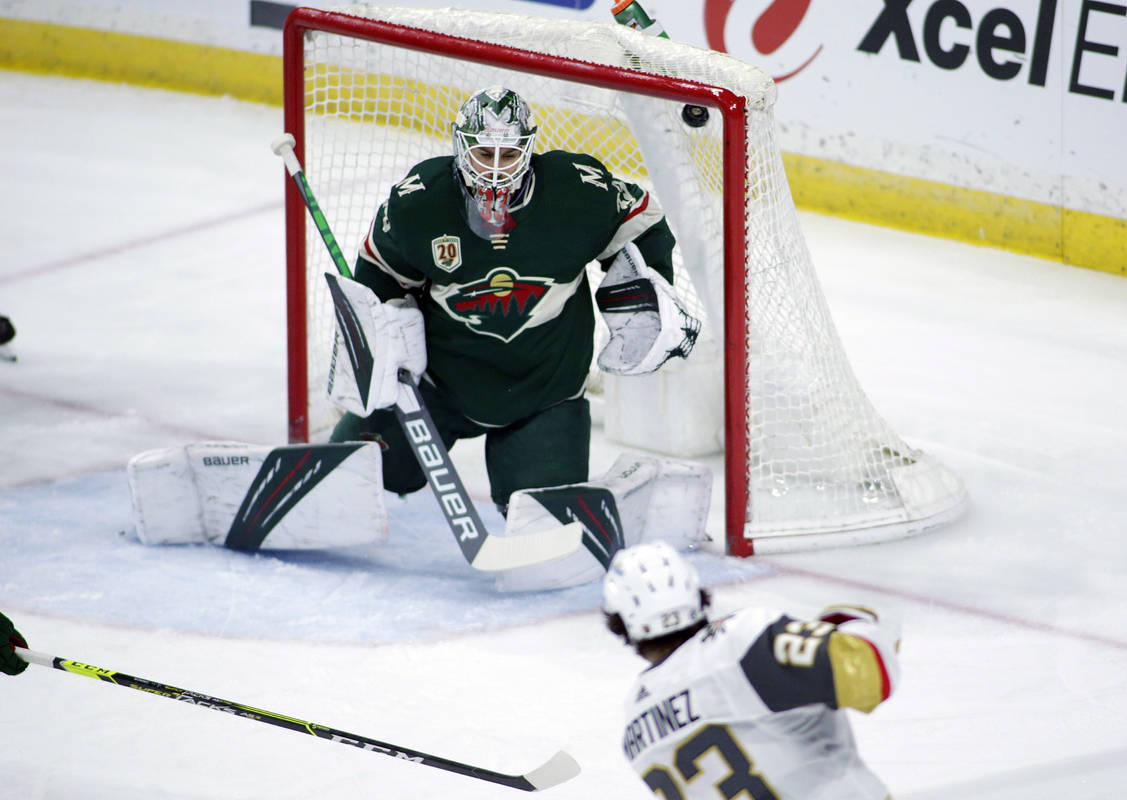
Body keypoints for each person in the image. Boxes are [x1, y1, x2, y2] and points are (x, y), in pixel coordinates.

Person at [327, 85, 697, 515]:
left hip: (544, 392)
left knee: (542, 514)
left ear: (529, 149)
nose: (497, 170)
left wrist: (647, 295)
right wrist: (383, 322)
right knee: (356, 474)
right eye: (485, 154)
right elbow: (380, 270)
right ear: (461, 147)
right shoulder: (420, 202)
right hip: (436, 384)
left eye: (509, 155)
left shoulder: (575, 191)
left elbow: (641, 221)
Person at [602, 542, 900, 799]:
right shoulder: (742, 640)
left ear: (619, 623)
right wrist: (856, 624)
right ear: (696, 592)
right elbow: (871, 672)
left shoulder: (634, 727)